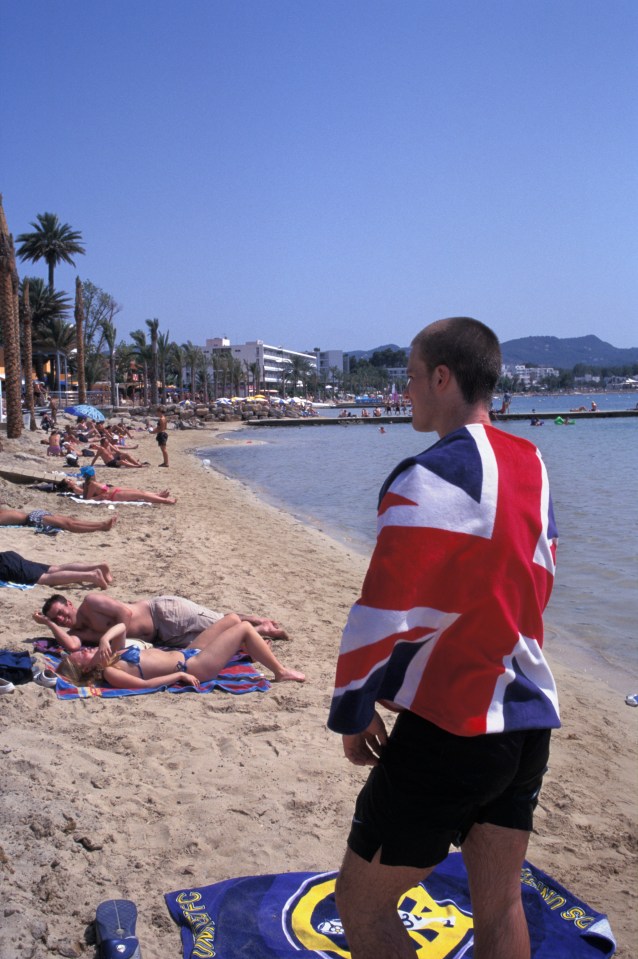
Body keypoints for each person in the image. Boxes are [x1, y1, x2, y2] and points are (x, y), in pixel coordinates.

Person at [328, 317, 560, 959]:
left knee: (362, 904)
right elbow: (540, 576)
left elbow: (381, 609)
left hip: (454, 724)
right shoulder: (533, 463)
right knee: (500, 903)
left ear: (442, 377)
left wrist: (354, 708)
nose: (403, 391)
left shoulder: (426, 476)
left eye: (408, 377)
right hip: (526, 712)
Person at [55, 619, 305, 687]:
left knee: (230, 618)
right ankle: (280, 672)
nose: (86, 650)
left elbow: (122, 625)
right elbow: (144, 684)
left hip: (187, 653)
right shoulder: (111, 671)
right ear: (86, 669)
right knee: (244, 628)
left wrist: (104, 638)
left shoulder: (114, 654)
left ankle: (245, 649)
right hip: (195, 666)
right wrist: (177, 678)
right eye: (82, 655)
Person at [34, 592, 291, 653]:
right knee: (211, 639)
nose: (62, 618)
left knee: (216, 619)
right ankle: (261, 630)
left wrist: (115, 640)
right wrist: (49, 625)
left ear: (69, 603)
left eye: (60, 612)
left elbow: (126, 614)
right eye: (57, 618)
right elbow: (71, 646)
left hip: (164, 612)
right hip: (161, 638)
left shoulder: (91, 603)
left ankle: (255, 619)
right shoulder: (81, 632)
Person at [0, 550, 112, 589]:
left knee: (46, 578)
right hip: (8, 556)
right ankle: (98, 566)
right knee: (55, 569)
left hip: (5, 566)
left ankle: (91, 576)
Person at [60, 467, 176, 505]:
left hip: (114, 490)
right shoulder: (90, 484)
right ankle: (166, 501)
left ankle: (158, 495)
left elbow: (84, 494)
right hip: (114, 495)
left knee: (140, 491)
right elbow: (88, 499)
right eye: (68, 480)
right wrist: (99, 498)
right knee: (141, 495)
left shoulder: (89, 483)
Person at [0, 507, 117, 534]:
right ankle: (101, 526)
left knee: (71, 519)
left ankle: (101, 524)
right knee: (68, 524)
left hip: (35, 513)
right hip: (32, 519)